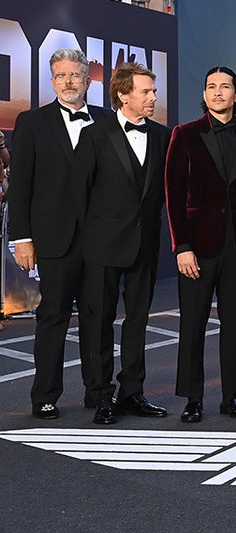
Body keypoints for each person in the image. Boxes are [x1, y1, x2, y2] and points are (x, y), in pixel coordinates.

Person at [9, 48, 110, 419]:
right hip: (53, 238)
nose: (68, 82)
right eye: (61, 76)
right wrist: (22, 238)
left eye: (75, 75)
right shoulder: (32, 122)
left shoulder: (107, 119)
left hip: (99, 239)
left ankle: (99, 392)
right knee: (53, 317)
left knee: (98, 317)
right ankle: (45, 395)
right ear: (52, 81)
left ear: (87, 79)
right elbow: (20, 185)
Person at [72, 63, 170, 424]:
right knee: (98, 321)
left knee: (138, 321)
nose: (153, 97)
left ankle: (132, 392)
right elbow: (78, 195)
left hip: (144, 242)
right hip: (102, 244)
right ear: (123, 94)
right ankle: (99, 395)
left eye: (153, 91)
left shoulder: (162, 135)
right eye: (146, 92)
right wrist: (91, 239)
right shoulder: (94, 135)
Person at [166, 66, 236, 422]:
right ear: (204, 95)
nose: (218, 92)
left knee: (234, 323)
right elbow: (172, 196)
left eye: (225, 86)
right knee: (193, 324)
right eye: (211, 87)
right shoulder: (184, 134)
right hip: (198, 246)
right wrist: (181, 246)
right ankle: (192, 399)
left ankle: (231, 396)